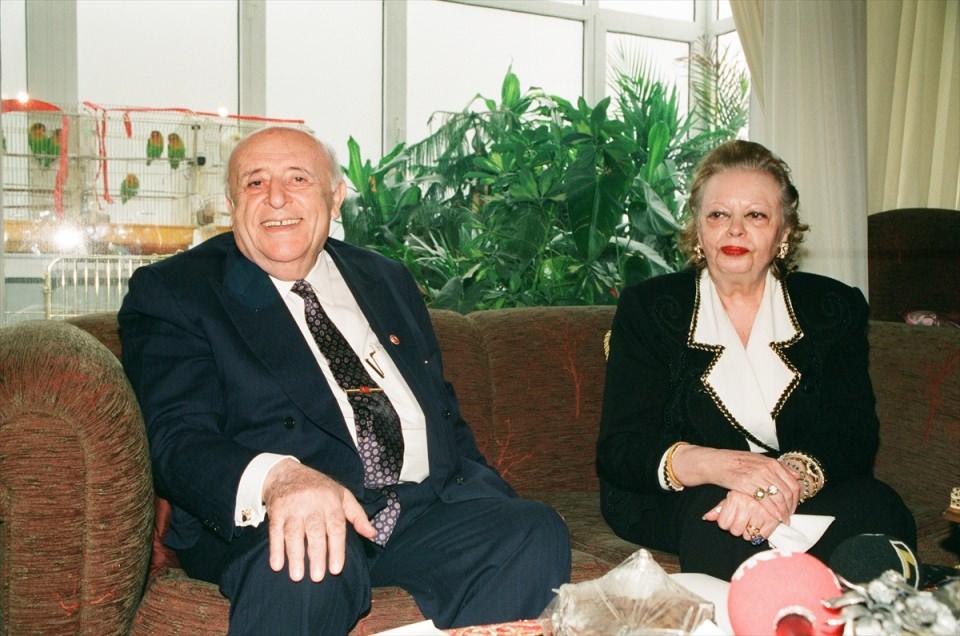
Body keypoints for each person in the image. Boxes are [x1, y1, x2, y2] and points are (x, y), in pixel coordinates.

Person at [119, 126, 570, 635]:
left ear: (335, 199)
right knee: (306, 559)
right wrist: (280, 479)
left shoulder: (386, 278)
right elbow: (175, 438)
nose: (276, 198)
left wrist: (486, 492)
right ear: (232, 204)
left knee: (532, 530)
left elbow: (439, 408)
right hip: (281, 515)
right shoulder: (178, 291)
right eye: (254, 182)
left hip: (417, 508)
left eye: (298, 179)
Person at [596, 140, 916, 580]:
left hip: (797, 486)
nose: (735, 230)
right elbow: (622, 449)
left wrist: (777, 485)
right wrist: (727, 469)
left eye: (756, 216)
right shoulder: (649, 308)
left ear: (784, 233)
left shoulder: (833, 307)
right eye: (718, 215)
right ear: (698, 228)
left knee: (880, 509)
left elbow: (852, 430)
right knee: (723, 524)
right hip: (684, 492)